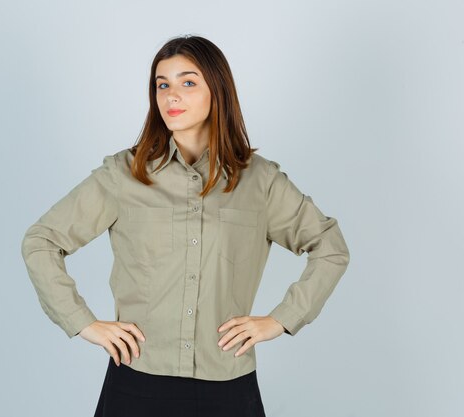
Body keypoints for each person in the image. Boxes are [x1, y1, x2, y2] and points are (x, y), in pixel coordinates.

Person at [21, 34, 350, 417]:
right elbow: (41, 240)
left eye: (187, 82)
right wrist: (83, 323)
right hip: (137, 382)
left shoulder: (260, 182)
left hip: (227, 387)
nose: (171, 96)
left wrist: (280, 320)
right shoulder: (123, 175)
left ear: (218, 90)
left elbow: (329, 245)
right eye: (163, 85)